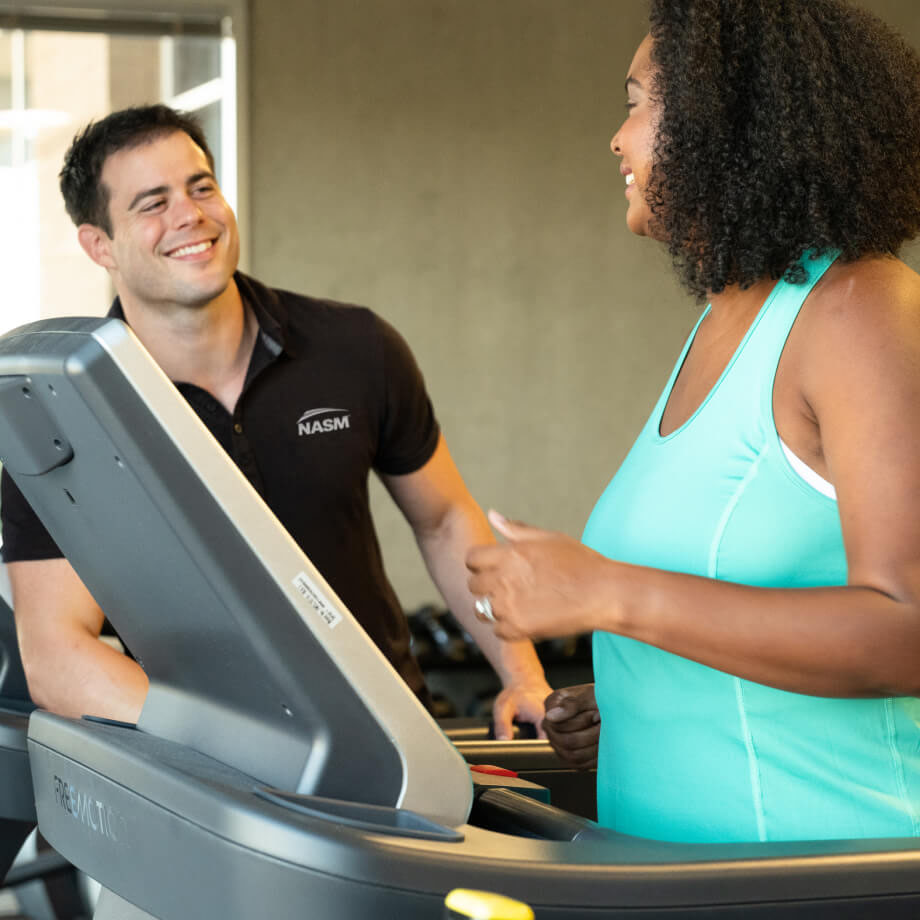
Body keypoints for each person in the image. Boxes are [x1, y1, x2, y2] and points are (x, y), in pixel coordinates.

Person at [467, 0, 920, 843]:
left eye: (638, 103)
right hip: (681, 875)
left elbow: (908, 628)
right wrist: (641, 694)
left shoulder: (861, 306)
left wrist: (608, 594)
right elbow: (748, 597)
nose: (617, 138)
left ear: (728, 127)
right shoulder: (720, 324)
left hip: (831, 875)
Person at [0, 104, 551, 737]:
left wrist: (523, 675)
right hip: (209, 768)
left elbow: (445, 519)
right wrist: (252, 745)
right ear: (100, 245)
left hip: (396, 739)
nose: (190, 214)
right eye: (152, 203)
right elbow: (56, 659)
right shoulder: (65, 415)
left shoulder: (356, 347)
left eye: (200, 186)